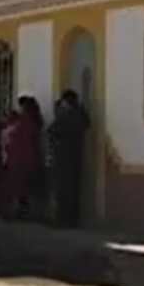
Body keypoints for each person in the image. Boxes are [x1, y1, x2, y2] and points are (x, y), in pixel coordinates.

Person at [49, 90, 91, 227]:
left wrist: (58, 113)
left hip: (64, 157)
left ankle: (63, 220)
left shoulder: (66, 116)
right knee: (73, 190)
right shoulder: (80, 115)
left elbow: (53, 131)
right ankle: (72, 220)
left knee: (63, 191)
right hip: (76, 157)